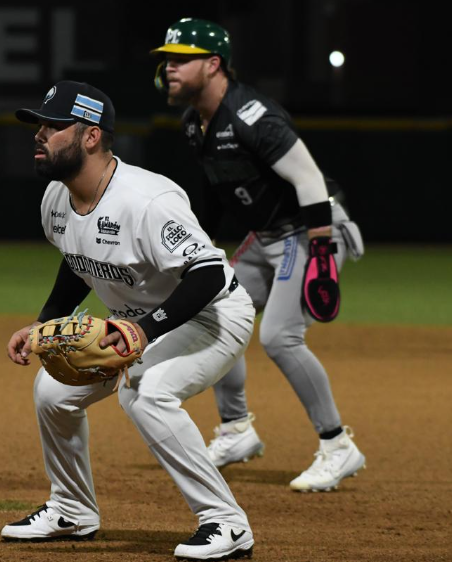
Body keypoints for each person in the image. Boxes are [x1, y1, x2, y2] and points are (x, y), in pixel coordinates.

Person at [2, 80, 257, 561]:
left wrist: (145, 330)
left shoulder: (147, 200)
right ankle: (72, 510)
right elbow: (79, 262)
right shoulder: (56, 200)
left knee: (144, 391)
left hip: (211, 315)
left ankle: (226, 522)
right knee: (52, 391)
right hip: (140, 319)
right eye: (38, 125)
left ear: (91, 136)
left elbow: (205, 274)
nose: (39, 134)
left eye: (53, 126)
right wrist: (44, 324)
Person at [150, 18, 367, 492]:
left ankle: (337, 445)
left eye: (181, 59)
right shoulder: (195, 123)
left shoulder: (253, 116)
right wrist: (199, 252)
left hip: (311, 230)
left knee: (280, 337)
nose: (169, 68)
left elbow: (309, 180)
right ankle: (236, 430)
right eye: (167, 59)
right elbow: (213, 194)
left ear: (213, 65)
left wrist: (324, 253)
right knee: (213, 309)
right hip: (267, 235)